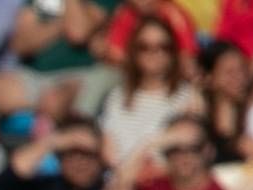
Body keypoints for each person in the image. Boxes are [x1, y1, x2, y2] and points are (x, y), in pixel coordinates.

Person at [81, 12, 199, 173]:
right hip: (122, 179)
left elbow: (191, 149)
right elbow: (110, 156)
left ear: (173, 51)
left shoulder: (189, 96)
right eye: (144, 47)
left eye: (163, 46)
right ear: (134, 52)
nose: (154, 53)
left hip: (168, 180)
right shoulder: (117, 97)